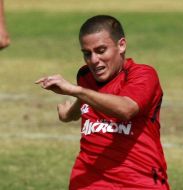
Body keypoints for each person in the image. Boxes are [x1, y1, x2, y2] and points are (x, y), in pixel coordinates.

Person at [35, 15, 170, 190]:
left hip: (139, 180)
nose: (93, 60)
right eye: (87, 53)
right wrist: (67, 115)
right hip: (88, 180)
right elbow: (85, 102)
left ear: (121, 45)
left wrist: (75, 90)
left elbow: (126, 109)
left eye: (101, 51)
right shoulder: (86, 77)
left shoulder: (143, 75)